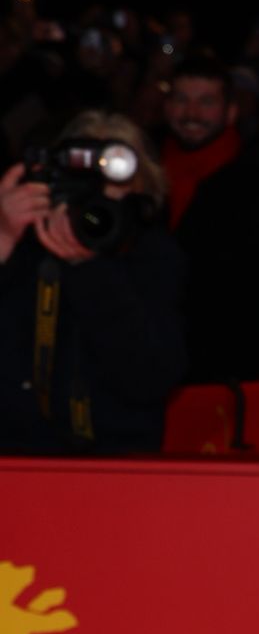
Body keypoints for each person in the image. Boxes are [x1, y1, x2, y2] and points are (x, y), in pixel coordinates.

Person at [0, 111, 186, 453]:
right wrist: (3, 238)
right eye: (83, 187)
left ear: (143, 190)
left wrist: (91, 270)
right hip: (18, 455)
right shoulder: (24, 244)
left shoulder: (153, 254)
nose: (94, 207)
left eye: (113, 187)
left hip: (118, 460)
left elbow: (149, 377)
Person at [162, 51, 259, 382]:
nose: (191, 113)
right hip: (158, 358)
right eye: (181, 100)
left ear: (231, 112)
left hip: (226, 364)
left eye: (206, 102)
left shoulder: (258, 183)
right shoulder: (143, 175)